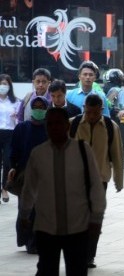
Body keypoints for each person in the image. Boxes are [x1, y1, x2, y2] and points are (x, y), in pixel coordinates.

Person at [20, 107, 106, 276]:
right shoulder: (38, 154)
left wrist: (96, 217)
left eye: (59, 123)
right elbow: (29, 188)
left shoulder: (82, 150)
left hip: (78, 226)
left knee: (77, 270)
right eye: (50, 124)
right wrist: (24, 214)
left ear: (67, 125)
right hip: (46, 227)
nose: (54, 127)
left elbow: (96, 185)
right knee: (46, 269)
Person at [69, 94, 123, 268]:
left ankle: (89, 256)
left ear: (101, 110)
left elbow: (117, 154)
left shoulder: (110, 126)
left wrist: (119, 180)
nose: (91, 116)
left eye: (95, 112)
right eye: (88, 112)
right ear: (84, 108)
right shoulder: (73, 124)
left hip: (99, 180)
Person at [9, 96, 49, 254]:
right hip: (25, 174)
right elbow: (14, 150)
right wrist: (12, 168)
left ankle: (36, 242)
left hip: (46, 175)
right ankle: (26, 239)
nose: (39, 109)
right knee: (26, 208)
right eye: (36, 106)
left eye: (42, 107)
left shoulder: (50, 128)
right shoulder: (22, 128)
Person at [0, 74, 20, 203]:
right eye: (1, 83)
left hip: (10, 134)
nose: (3, 86)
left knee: (7, 161)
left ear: (10, 86)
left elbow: (19, 119)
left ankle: (4, 188)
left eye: (5, 84)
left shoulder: (16, 101)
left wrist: (16, 116)